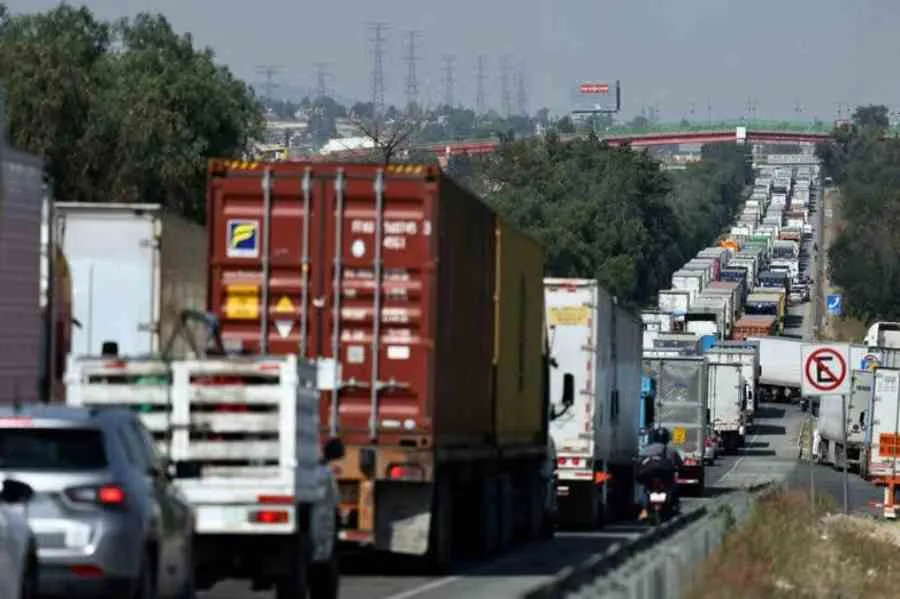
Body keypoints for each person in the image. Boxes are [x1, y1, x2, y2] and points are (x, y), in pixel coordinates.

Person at [635, 425, 682, 521]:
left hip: (647, 475)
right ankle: (674, 507)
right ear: (667, 438)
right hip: (665, 476)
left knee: (644, 488)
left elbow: (638, 462)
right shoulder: (671, 451)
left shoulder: (645, 449)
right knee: (674, 487)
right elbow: (679, 464)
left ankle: (644, 510)